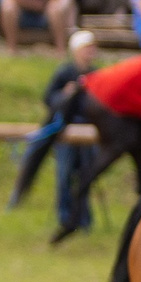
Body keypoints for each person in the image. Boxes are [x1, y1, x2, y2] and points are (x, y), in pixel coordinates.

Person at [35, 31, 100, 241]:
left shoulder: (96, 74)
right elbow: (49, 99)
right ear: (76, 50)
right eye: (86, 48)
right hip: (66, 131)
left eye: (92, 47)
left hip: (89, 131)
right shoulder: (65, 73)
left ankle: (84, 219)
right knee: (65, 175)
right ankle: (65, 218)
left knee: (87, 174)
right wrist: (66, 94)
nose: (90, 52)